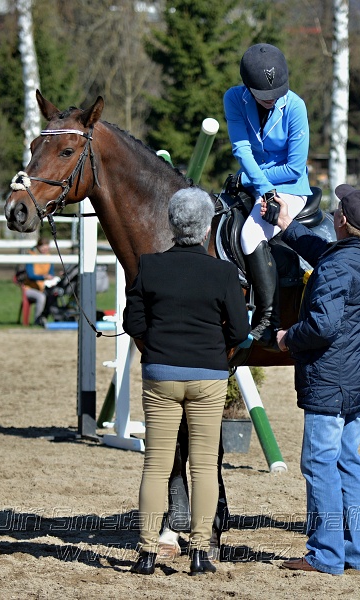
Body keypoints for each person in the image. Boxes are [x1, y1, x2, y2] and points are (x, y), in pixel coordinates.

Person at [123, 187, 250, 576]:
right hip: (208, 376)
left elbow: (133, 322)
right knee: (205, 466)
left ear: (172, 224)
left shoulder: (149, 266)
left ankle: (147, 553)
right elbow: (240, 331)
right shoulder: (224, 272)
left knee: (156, 465)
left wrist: (159, 343)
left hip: (161, 374)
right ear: (208, 227)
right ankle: (199, 553)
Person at [263, 184, 360, 575]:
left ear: (342, 220)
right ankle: (357, 552)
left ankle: (326, 554)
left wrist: (286, 339)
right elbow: (329, 256)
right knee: (348, 464)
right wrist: (287, 225)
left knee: (319, 465)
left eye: (336, 210)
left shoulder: (337, 265)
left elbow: (322, 325)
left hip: (329, 382)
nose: (333, 213)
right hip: (357, 380)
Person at [223, 43, 312, 349]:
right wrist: (257, 184)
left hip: (291, 186)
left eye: (278, 91)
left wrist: (250, 180)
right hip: (254, 182)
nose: (273, 98)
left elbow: (294, 167)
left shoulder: (295, 107)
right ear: (248, 87)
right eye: (264, 94)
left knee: (250, 234)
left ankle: (268, 319)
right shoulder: (233, 98)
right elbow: (241, 149)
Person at [14, 237, 57, 327]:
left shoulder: (49, 257)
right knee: (41, 297)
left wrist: (51, 278)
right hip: (29, 288)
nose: (45, 250)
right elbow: (30, 275)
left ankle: (49, 318)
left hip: (43, 287)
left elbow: (51, 273)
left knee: (54, 294)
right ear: (38, 247)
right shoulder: (31, 256)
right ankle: (37, 321)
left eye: (47, 248)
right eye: (43, 247)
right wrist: (43, 277)